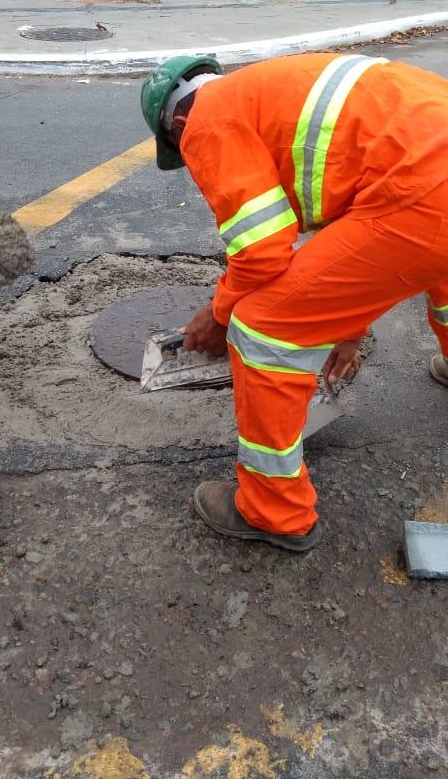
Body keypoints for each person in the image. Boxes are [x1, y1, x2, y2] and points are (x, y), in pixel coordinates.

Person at [140, 52, 448, 552]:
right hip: (427, 173)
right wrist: (347, 332)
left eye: (179, 149)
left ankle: (273, 510)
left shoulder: (206, 119)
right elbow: (354, 235)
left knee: (264, 328)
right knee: (442, 273)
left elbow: (261, 250)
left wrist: (221, 316)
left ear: (176, 122)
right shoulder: (274, 93)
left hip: (424, 195)